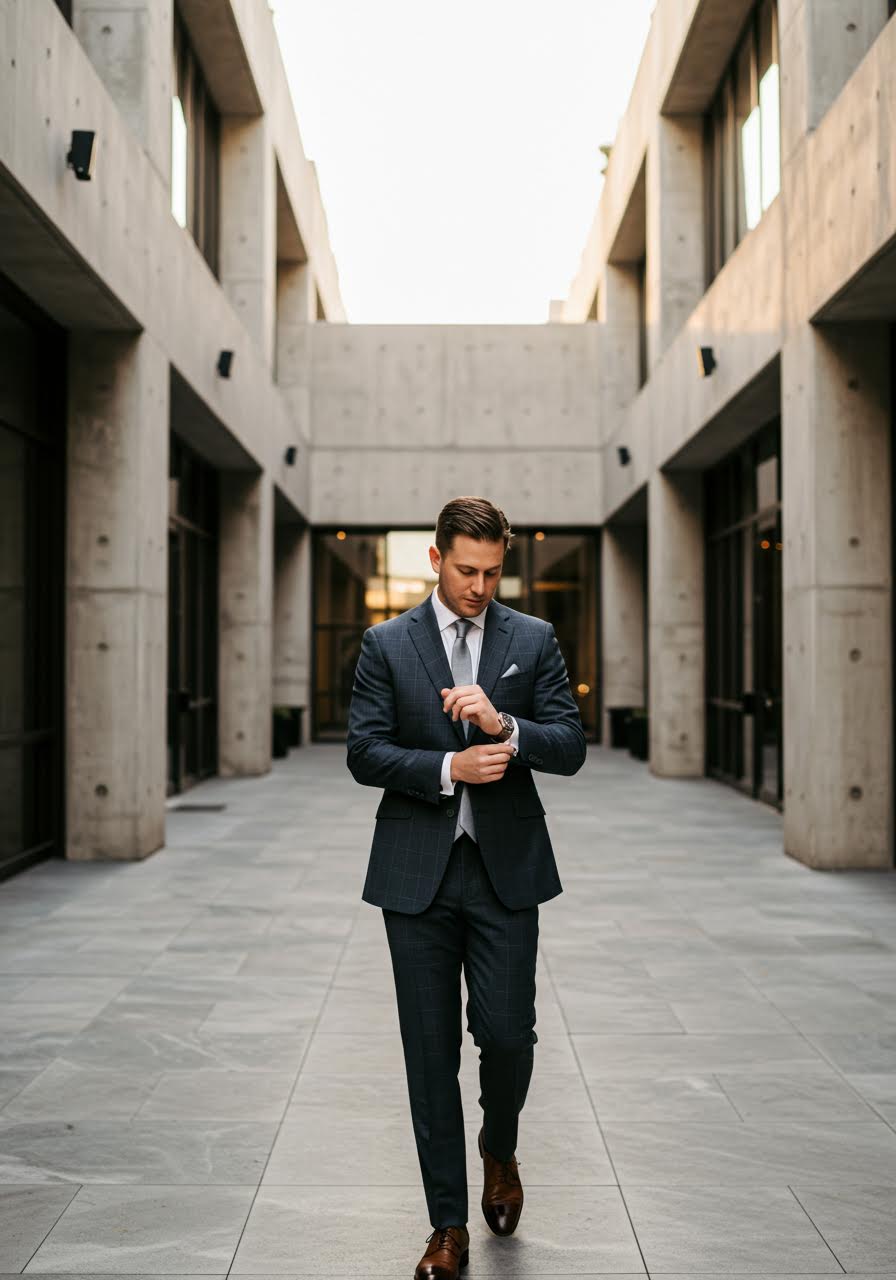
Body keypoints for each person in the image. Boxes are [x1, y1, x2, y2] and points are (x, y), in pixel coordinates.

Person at [346, 496, 586, 1280]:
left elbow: (571, 745)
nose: (480, 586)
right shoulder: (386, 643)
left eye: (492, 571)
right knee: (428, 1056)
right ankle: (446, 1227)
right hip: (415, 876)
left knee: (509, 1035)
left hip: (506, 872)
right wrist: (448, 767)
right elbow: (364, 753)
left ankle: (500, 1146)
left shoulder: (533, 639)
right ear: (436, 559)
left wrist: (507, 731)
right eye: (465, 569)